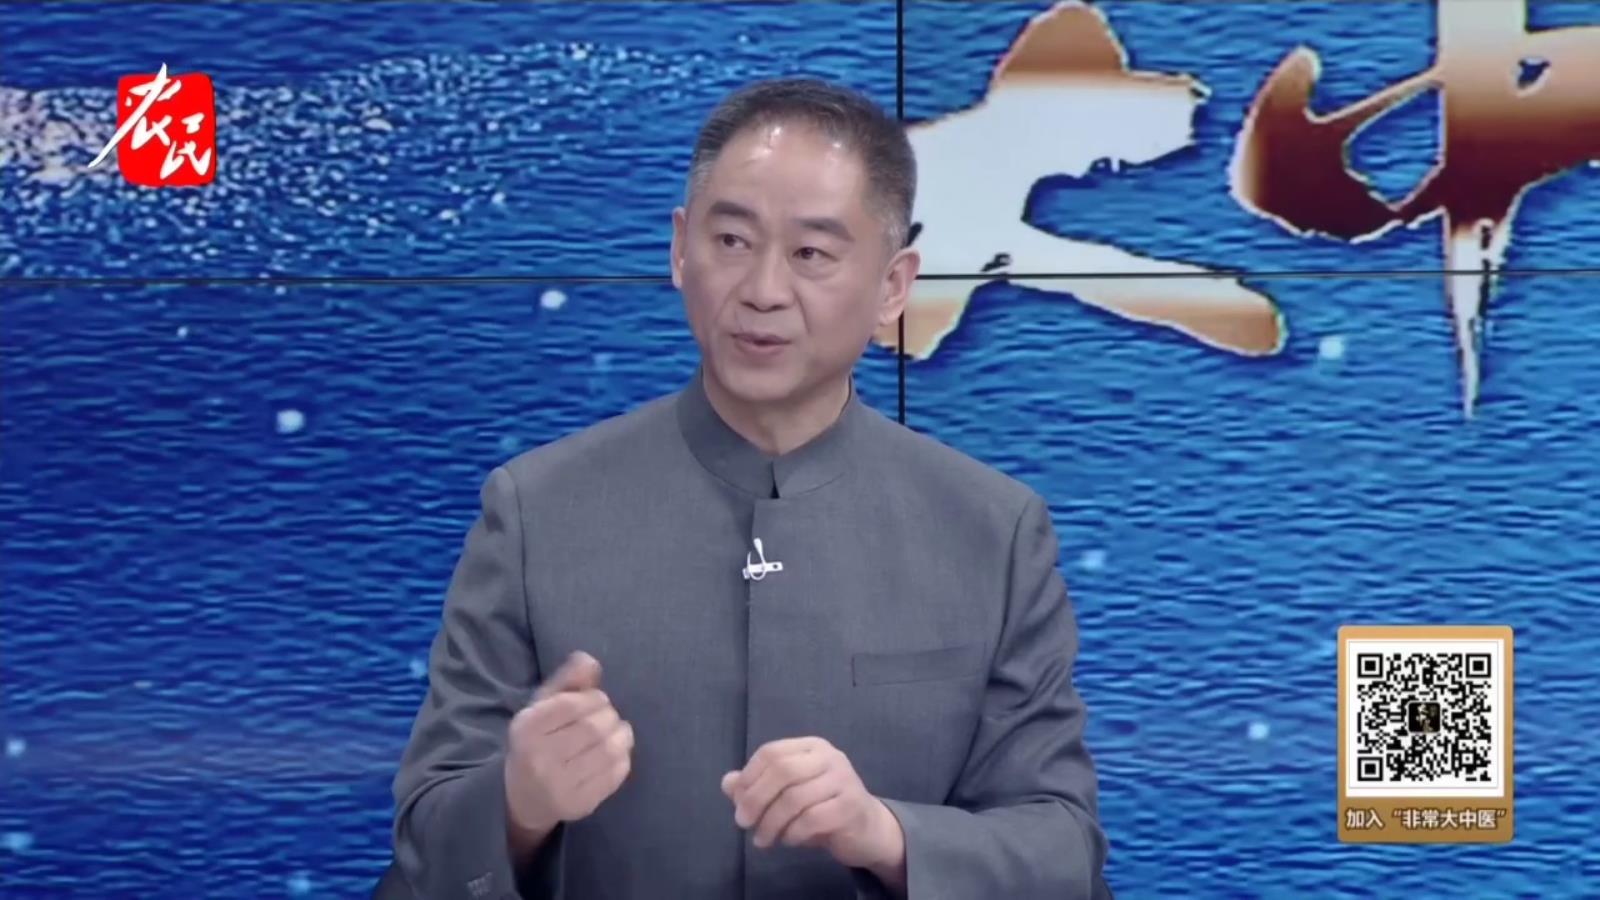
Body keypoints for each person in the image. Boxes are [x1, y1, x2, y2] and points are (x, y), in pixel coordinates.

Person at [388, 77, 1111, 899]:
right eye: (732, 240)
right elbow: (424, 847)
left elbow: (1062, 851)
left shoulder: (992, 532)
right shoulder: (536, 512)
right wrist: (519, 803)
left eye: (811, 254)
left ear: (893, 287)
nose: (763, 290)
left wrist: (886, 835)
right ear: (679, 249)